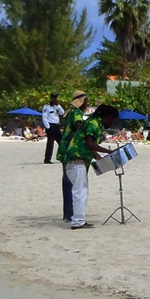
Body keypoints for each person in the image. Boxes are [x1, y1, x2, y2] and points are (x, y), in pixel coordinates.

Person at [62, 103, 118, 229]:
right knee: (80, 192)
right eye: (113, 120)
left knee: (81, 191)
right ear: (108, 117)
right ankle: (78, 221)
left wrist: (101, 159)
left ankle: (79, 220)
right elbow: (89, 143)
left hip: (77, 161)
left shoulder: (93, 122)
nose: (113, 123)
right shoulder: (94, 124)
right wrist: (109, 152)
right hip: (76, 161)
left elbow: (88, 146)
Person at [57, 91, 89, 223]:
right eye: (86, 100)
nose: (87, 103)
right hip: (73, 151)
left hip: (65, 150)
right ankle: (73, 214)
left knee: (68, 181)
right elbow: (78, 128)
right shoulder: (77, 113)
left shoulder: (70, 112)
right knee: (76, 184)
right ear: (81, 101)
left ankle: (68, 213)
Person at [42, 93, 66, 164]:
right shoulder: (46, 106)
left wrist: (58, 105)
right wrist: (47, 126)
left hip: (57, 125)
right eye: (53, 98)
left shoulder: (57, 106)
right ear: (51, 98)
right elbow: (44, 117)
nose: (55, 99)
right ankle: (47, 159)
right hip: (50, 125)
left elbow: (62, 113)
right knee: (50, 143)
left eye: (56, 98)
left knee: (61, 142)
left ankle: (63, 157)